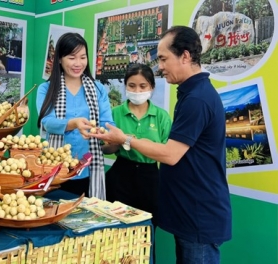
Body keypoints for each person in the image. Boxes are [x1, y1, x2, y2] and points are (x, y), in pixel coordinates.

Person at [89, 25, 232, 264]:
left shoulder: (197, 99)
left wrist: (125, 139)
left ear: (185, 55)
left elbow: (170, 154)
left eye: (164, 59)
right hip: (187, 210)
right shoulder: (190, 94)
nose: (160, 67)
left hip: (198, 214)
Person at [36, 32, 114, 200]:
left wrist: (105, 132)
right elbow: (47, 122)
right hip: (56, 168)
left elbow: (108, 122)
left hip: (89, 168)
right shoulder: (46, 89)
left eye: (83, 57)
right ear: (59, 59)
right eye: (72, 58)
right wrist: (74, 123)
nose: (78, 63)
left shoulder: (98, 89)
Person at [102, 63, 171, 229]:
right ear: (125, 86)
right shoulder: (114, 113)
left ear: (152, 87)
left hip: (150, 178)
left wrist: (134, 142)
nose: (137, 91)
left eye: (143, 86)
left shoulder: (161, 116)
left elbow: (168, 153)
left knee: (146, 231)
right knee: (115, 229)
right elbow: (103, 148)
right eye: (132, 86)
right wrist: (117, 143)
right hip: (120, 176)